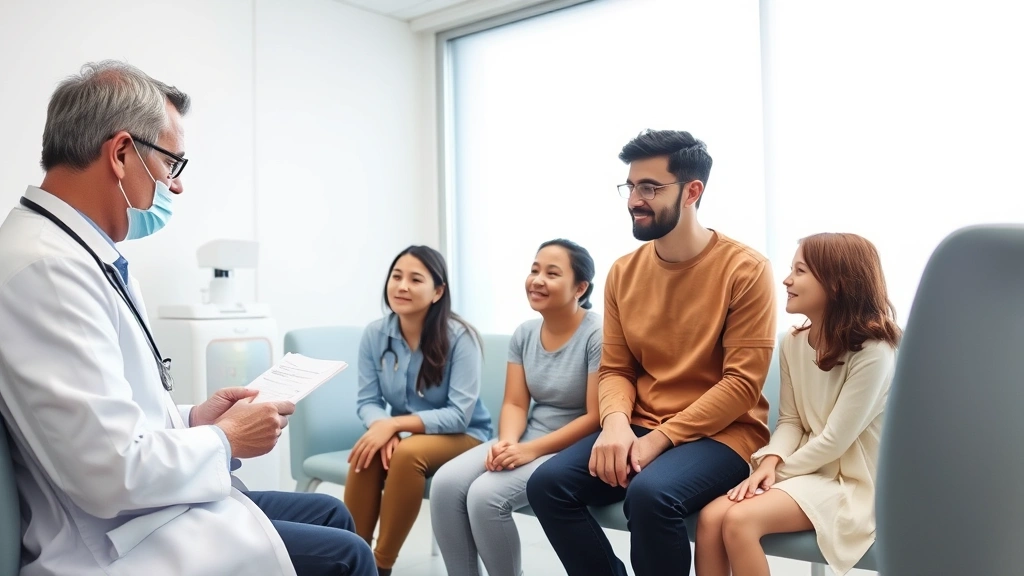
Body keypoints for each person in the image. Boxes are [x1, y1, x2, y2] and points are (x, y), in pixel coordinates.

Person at [0, 61, 374, 576]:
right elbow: (110, 471)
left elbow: (112, 413)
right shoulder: (46, 269)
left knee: (331, 512)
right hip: (112, 541)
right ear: (122, 153)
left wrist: (195, 418)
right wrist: (226, 439)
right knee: (346, 554)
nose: (174, 187)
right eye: (172, 163)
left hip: (147, 509)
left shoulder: (77, 253)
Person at [526, 129, 777, 576]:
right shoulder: (624, 272)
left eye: (650, 187)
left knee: (651, 494)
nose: (634, 200)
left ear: (692, 192)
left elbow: (741, 385)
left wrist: (659, 440)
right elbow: (617, 369)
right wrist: (617, 425)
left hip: (724, 436)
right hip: (640, 424)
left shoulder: (746, 269)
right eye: (631, 186)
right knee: (547, 484)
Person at [694, 233, 900, 576]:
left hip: (849, 482)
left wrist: (770, 475)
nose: (787, 279)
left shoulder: (875, 351)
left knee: (738, 521)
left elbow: (835, 440)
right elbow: (791, 421)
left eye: (800, 270)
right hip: (804, 470)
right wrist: (770, 461)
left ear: (837, 283)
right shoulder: (793, 343)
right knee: (710, 517)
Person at [430, 239, 603, 576]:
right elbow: (514, 402)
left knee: (485, 498)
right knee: (445, 483)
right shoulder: (524, 333)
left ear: (579, 287)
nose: (537, 280)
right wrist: (508, 442)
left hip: (572, 447)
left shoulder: (597, 333)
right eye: (534, 269)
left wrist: (529, 450)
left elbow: (595, 417)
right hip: (527, 437)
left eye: (552, 273)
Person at [343, 245, 492, 576]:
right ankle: (348, 557)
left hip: (466, 436)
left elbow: (459, 415)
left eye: (415, 279)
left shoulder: (460, 337)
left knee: (406, 452)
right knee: (368, 448)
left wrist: (393, 425)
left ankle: (381, 565)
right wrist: (383, 427)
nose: (402, 286)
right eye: (396, 277)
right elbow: (367, 401)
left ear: (438, 291)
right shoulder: (375, 334)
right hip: (410, 433)